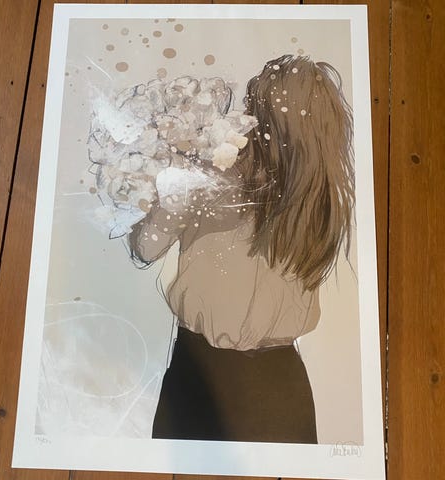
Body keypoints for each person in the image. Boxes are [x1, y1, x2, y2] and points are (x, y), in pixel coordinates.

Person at [127, 54, 354, 444]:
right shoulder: (322, 202)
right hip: (282, 384)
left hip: (201, 377)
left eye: (252, 105)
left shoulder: (206, 176)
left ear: (262, 117)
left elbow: (145, 246)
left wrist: (170, 173)